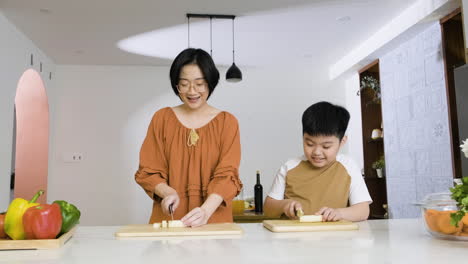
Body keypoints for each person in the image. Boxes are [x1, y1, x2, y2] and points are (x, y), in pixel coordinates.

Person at [135, 48, 242, 227]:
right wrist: (168, 193)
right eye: (184, 84)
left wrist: (206, 211)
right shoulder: (162, 119)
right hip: (171, 219)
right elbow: (149, 171)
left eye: (199, 84)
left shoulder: (227, 122)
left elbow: (227, 175)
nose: (192, 91)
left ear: (211, 83)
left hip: (213, 219)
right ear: (176, 84)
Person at [264, 101, 372, 222]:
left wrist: (339, 213)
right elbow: (268, 208)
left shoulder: (348, 166)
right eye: (309, 144)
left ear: (342, 142)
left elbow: (363, 211)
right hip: (294, 237)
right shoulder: (289, 167)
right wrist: (284, 205)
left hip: (336, 238)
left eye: (326, 146)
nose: (317, 152)